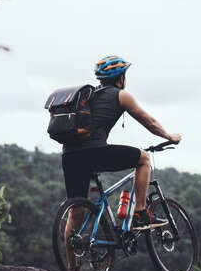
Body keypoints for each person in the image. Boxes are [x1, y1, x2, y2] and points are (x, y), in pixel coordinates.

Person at [62, 55, 181, 244]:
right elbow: (148, 121)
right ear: (121, 77)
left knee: (76, 212)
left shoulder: (88, 96)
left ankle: (72, 268)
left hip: (69, 155)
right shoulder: (121, 95)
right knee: (143, 158)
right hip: (94, 152)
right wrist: (169, 137)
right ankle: (140, 213)